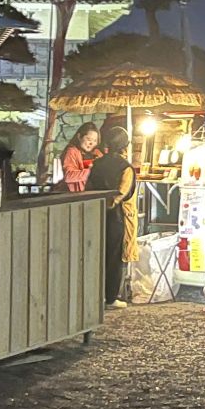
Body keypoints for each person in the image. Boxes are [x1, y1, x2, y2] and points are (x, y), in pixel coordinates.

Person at [84, 125, 138, 305]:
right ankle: (111, 297)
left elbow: (89, 187)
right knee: (114, 258)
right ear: (125, 145)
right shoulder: (126, 168)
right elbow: (121, 193)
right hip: (116, 217)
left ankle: (94, 294)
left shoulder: (97, 164)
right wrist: (110, 203)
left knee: (96, 255)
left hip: (95, 214)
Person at [59, 123, 101, 193]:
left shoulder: (95, 153)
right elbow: (68, 176)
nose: (91, 143)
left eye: (95, 141)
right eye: (89, 139)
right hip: (73, 194)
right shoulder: (71, 151)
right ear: (79, 137)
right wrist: (91, 171)